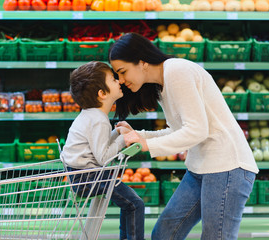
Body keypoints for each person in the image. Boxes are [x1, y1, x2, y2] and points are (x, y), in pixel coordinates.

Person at [109, 32, 259, 240]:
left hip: (228, 167)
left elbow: (197, 130)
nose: (122, 80)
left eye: (123, 72)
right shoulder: (161, 85)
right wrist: (139, 136)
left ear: (142, 62)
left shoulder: (176, 71)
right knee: (164, 234)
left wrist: (146, 145)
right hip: (200, 167)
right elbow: (179, 129)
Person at [60, 61, 145, 240]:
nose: (119, 81)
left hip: (80, 175)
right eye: (114, 79)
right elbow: (103, 158)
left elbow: (98, 146)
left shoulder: (91, 115)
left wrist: (116, 132)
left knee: (129, 204)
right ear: (102, 94)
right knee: (135, 204)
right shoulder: (98, 119)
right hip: (89, 177)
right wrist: (123, 139)